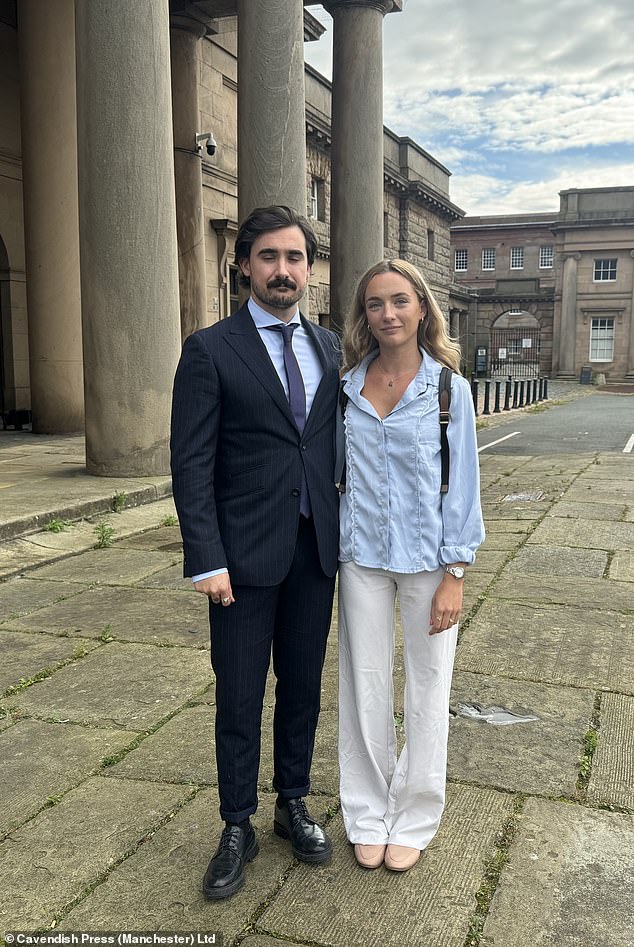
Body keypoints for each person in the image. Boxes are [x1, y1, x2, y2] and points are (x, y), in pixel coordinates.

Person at [170, 205, 341, 900]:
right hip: (239, 561)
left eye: (295, 257)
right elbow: (191, 462)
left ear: (309, 267)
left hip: (314, 552)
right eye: (268, 257)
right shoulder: (211, 349)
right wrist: (206, 558)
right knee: (239, 697)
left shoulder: (330, 348)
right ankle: (236, 821)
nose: (282, 270)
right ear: (244, 265)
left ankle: (290, 801)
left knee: (302, 688)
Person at [337, 259, 484, 872]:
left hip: (429, 561)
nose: (388, 314)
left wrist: (456, 572)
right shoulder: (345, 385)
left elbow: (465, 487)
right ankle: (367, 811)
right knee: (363, 684)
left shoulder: (449, 389)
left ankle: (417, 813)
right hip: (361, 557)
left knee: (429, 687)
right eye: (376, 304)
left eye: (400, 301)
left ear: (423, 308)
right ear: (363, 316)